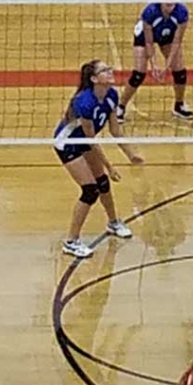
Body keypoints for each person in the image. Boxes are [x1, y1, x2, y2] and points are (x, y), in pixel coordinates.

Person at [54, 59, 143, 258]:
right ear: (94, 79)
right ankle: (71, 241)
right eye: (105, 70)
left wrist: (131, 154)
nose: (110, 71)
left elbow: (114, 130)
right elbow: (90, 140)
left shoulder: (111, 95)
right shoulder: (85, 103)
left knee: (102, 183)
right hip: (68, 144)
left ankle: (113, 223)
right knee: (90, 190)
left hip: (85, 140)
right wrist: (110, 167)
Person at [117, 0, 193, 122]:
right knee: (139, 73)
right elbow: (148, 41)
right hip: (145, 37)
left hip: (168, 36)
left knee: (180, 71)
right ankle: (120, 106)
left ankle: (179, 105)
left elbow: (177, 41)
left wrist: (167, 65)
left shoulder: (182, 13)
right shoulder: (150, 12)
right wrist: (154, 65)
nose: (170, 0)